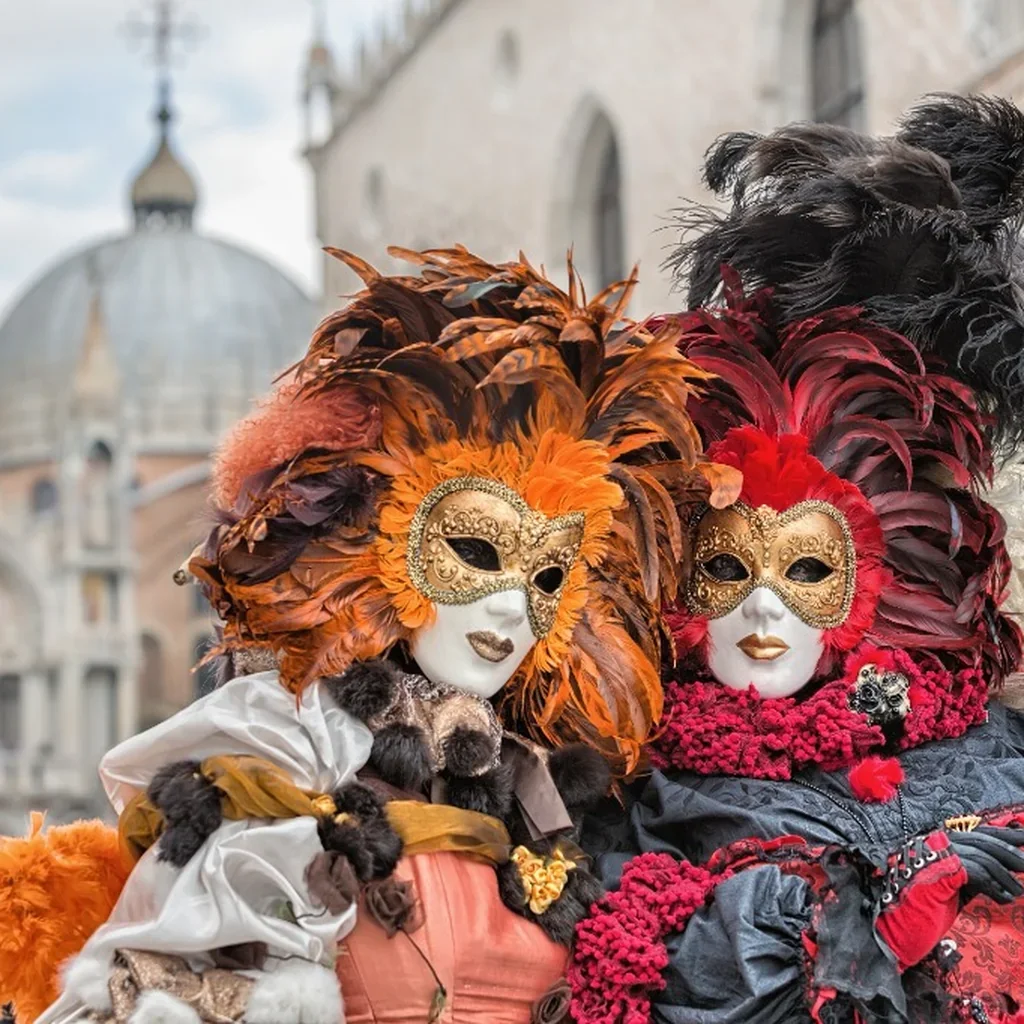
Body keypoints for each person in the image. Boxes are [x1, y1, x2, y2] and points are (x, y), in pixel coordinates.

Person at [3, 246, 724, 1024]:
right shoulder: (287, 760)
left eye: (548, 578)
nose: (513, 609)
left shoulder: (538, 787)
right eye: (476, 552)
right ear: (383, 550)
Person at [571, 94, 1024, 1024]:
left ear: (873, 585)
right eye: (729, 572)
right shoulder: (646, 792)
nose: (764, 613)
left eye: (808, 571)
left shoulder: (990, 756)